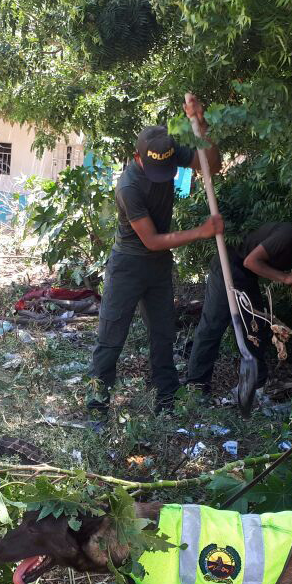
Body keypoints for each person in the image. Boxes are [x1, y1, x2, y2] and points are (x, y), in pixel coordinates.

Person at [87, 96, 222, 422]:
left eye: (168, 167)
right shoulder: (128, 186)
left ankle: (167, 402)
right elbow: (151, 239)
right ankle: (97, 406)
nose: (164, 173)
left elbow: (211, 164)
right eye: (156, 168)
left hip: (159, 266)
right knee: (111, 338)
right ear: (137, 157)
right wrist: (201, 232)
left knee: (163, 334)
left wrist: (201, 125)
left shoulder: (168, 151)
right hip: (128, 265)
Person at [186, 222, 292, 401]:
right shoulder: (289, 234)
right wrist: (285, 277)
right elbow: (250, 261)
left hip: (246, 276)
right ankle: (196, 387)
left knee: (254, 329)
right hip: (228, 265)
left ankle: (253, 388)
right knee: (213, 324)